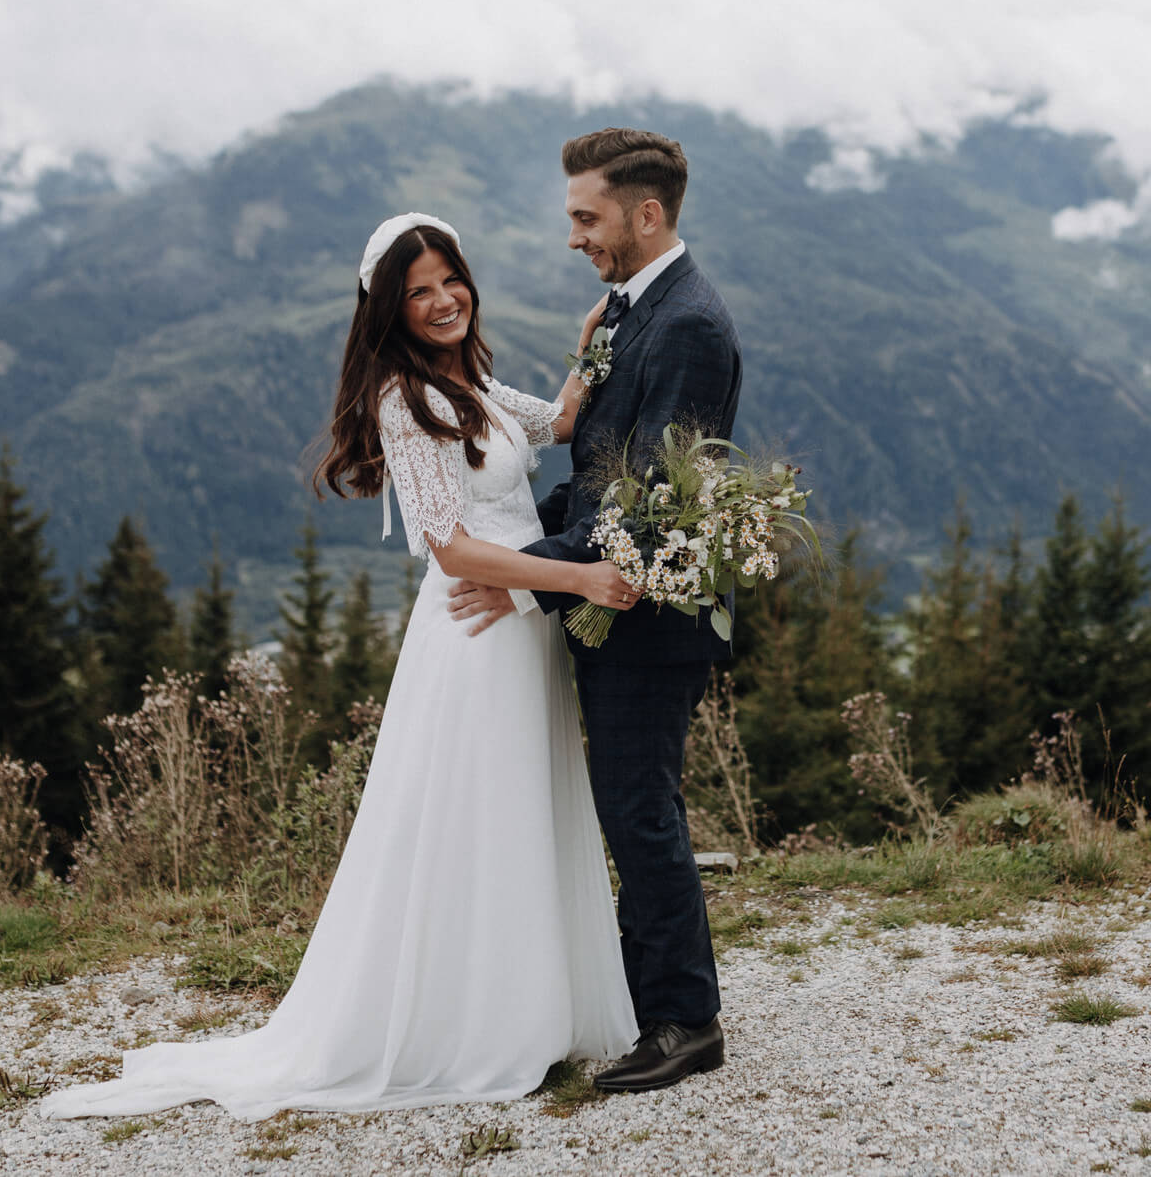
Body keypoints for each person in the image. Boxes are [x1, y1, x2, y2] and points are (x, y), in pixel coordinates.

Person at [40, 212, 640, 1120]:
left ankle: (531, 1006)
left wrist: (588, 348)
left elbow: (555, 423)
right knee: (477, 817)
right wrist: (580, 577)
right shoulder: (406, 399)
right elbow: (451, 547)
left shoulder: (468, 376)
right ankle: (470, 1024)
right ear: (388, 310)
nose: (442, 300)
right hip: (477, 635)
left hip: (521, 624)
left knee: (525, 808)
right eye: (418, 290)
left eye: (451, 280)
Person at [448, 128, 742, 1092]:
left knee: (640, 808)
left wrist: (526, 571)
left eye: (587, 216)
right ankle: (648, 992)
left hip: (650, 618)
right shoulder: (627, 313)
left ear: (644, 212)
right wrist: (523, 549)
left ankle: (684, 1021)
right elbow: (590, 471)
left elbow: (643, 501)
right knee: (627, 804)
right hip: (605, 598)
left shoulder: (690, 324)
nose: (573, 236)